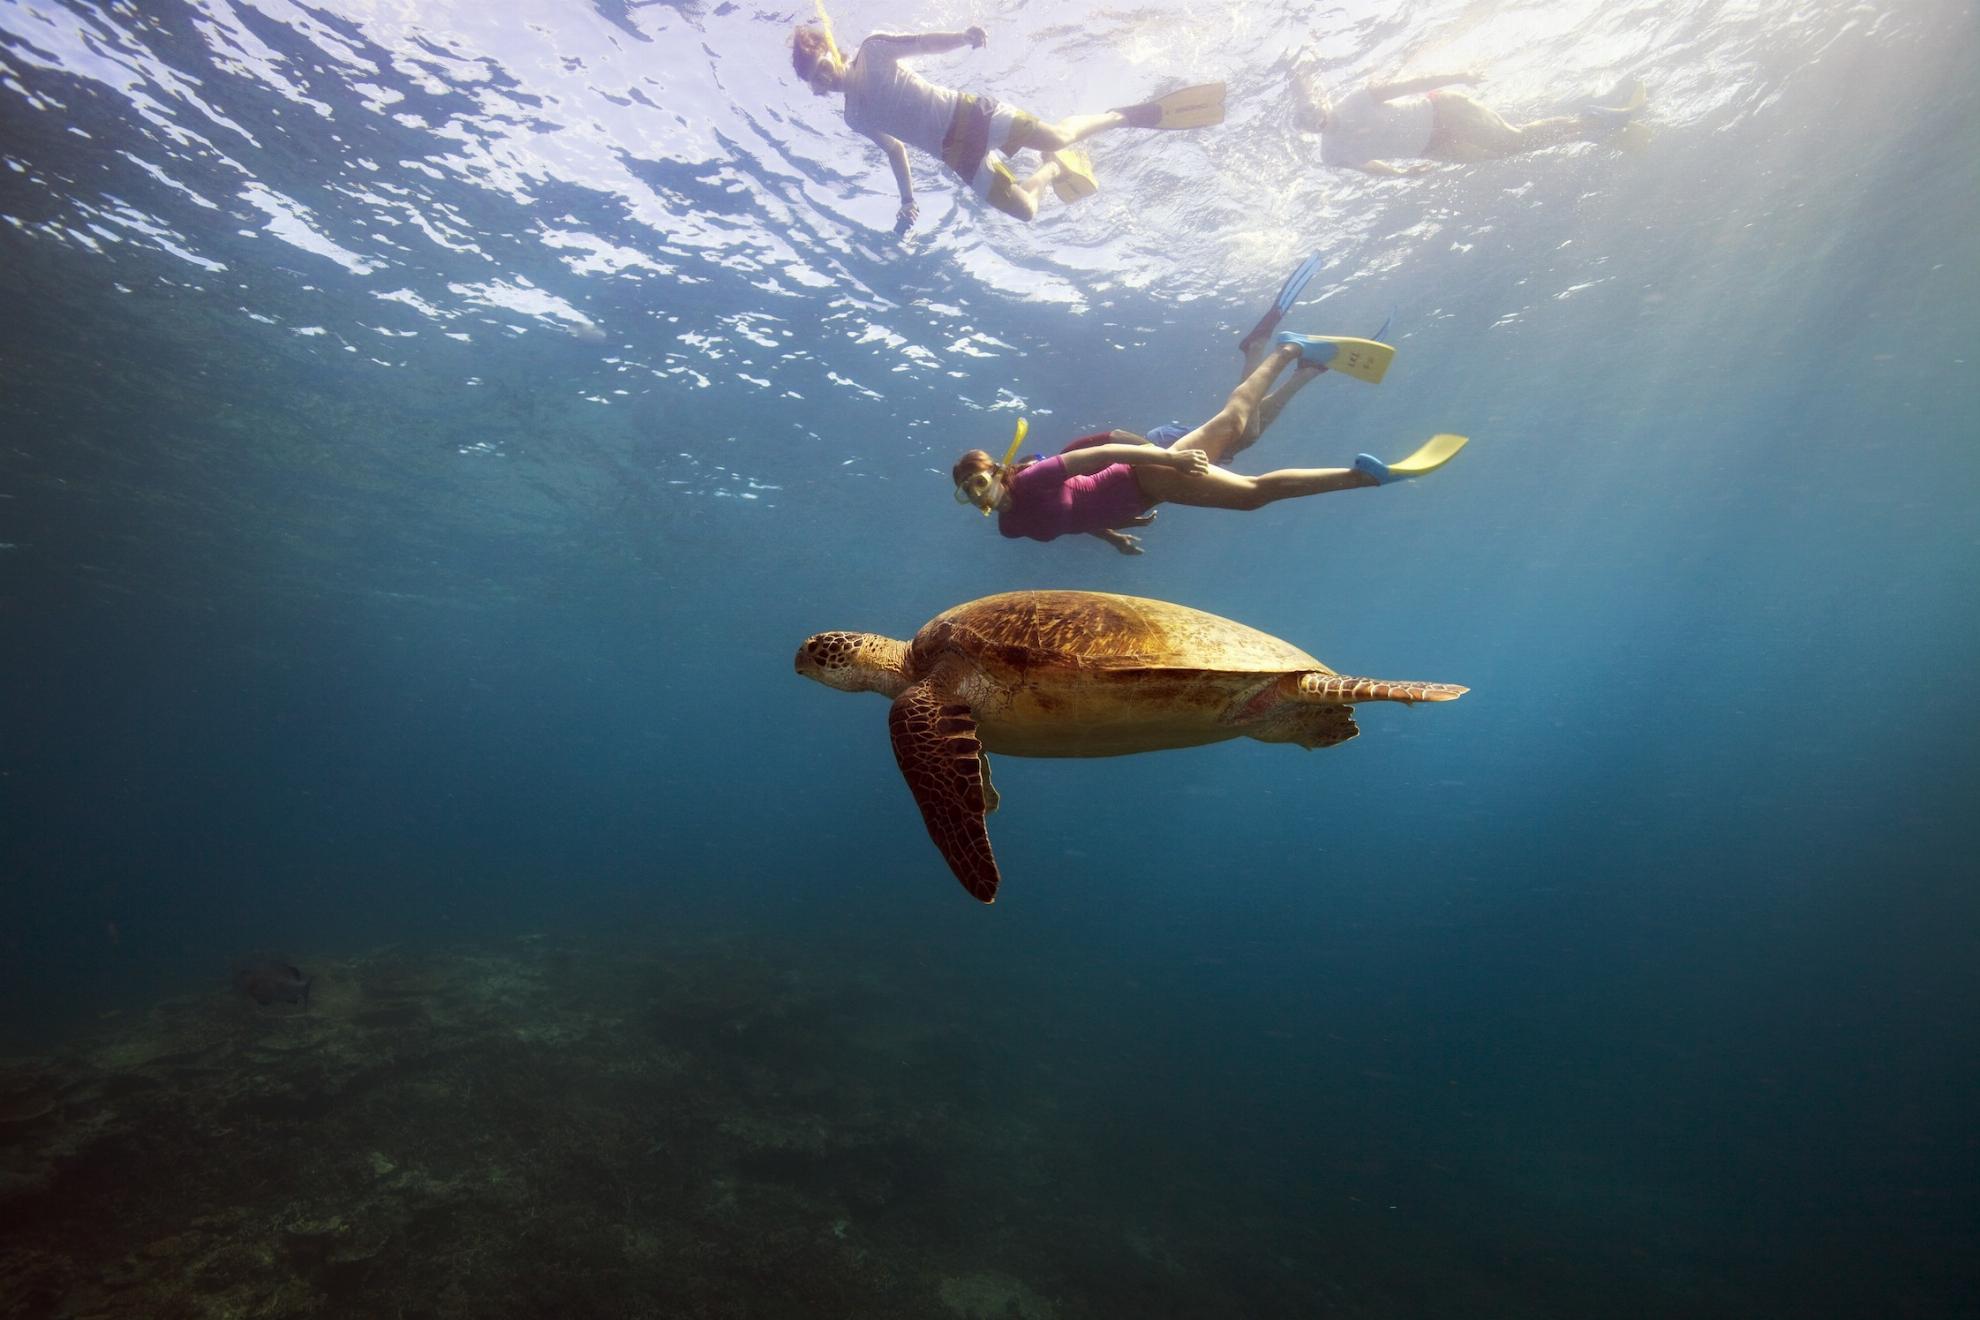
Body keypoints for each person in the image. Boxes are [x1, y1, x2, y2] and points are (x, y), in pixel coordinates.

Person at [951, 333, 1467, 555]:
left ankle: (1292, 349)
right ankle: (1297, 361)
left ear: (996, 472)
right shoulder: (1011, 527)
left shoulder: (1036, 476)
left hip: (1143, 470)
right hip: (1149, 489)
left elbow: (1102, 456)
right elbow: (1068, 520)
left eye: (977, 481)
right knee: (1243, 436)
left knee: (1246, 468)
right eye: (965, 494)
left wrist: (1168, 458)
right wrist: (1114, 536)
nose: (975, 494)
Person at [792, 21, 1224, 233]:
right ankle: (1054, 168)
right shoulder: (854, 118)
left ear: (831, 50)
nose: (821, 77)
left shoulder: (874, 50)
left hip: (969, 114)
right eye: (813, 78)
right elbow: (894, 150)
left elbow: (923, 44)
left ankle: (1125, 115)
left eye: (820, 65)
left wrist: (962, 37)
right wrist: (907, 200)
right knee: (1026, 211)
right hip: (954, 155)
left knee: (1057, 135)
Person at [1294, 57, 1646, 176]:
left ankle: (1598, 119)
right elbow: (1367, 166)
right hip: (1430, 148)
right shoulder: (1330, 154)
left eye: (1313, 111)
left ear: (1320, 103)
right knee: (1508, 152)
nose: (1315, 120)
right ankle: (1592, 131)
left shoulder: (1355, 100)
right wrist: (1402, 174)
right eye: (1306, 121)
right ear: (1305, 130)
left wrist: (1460, 76)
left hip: (1441, 109)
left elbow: (1414, 83)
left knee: (1513, 138)